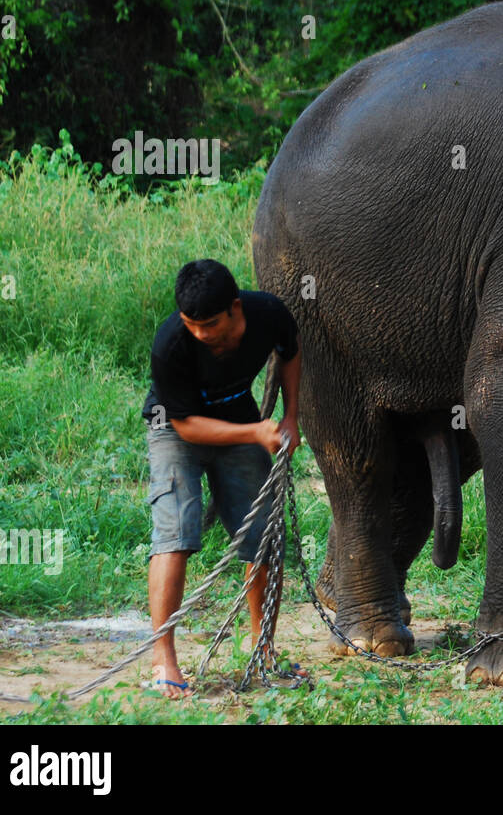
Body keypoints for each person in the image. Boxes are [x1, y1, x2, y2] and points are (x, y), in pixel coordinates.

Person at [141, 259, 301, 698]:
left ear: (235, 308)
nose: (200, 333)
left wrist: (290, 416)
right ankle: (164, 660)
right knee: (175, 533)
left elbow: (290, 352)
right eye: (192, 324)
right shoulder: (170, 343)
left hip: (239, 423)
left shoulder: (269, 313)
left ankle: (263, 649)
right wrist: (256, 432)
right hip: (175, 430)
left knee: (264, 538)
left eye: (209, 324)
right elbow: (188, 425)